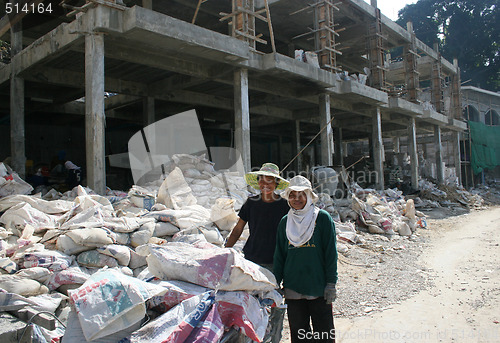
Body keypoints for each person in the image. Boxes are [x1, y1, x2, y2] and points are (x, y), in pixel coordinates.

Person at [274, 175, 338, 343]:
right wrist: (275, 284)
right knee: (300, 335)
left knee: (323, 334)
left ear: (309, 196)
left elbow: (331, 253)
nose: (296, 199)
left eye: (301, 194)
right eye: (292, 195)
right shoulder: (285, 222)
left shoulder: (322, 219)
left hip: (318, 288)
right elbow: (280, 256)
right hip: (293, 288)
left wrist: (331, 284)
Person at [225, 163, 289, 270]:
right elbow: (238, 228)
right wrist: (226, 250)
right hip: (252, 256)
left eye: (270, 180)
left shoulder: (284, 206)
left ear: (276, 183)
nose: (265, 184)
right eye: (262, 180)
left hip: (275, 259)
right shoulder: (251, 203)